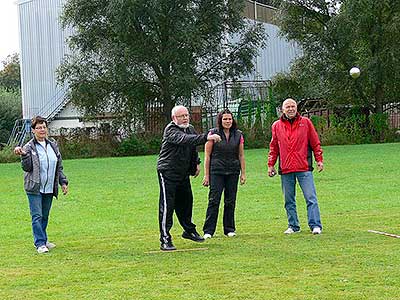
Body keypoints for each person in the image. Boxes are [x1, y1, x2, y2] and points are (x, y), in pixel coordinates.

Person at [157, 105, 221, 251]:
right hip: (167, 171)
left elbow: (192, 147)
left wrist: (196, 164)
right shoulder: (171, 130)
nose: (185, 118)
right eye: (182, 116)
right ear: (174, 118)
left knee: (186, 202)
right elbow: (184, 140)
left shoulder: (190, 128)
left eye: (186, 115)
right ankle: (165, 239)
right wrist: (206, 137)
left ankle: (189, 231)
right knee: (168, 205)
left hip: (183, 172)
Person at [267, 98, 323, 235]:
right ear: (282, 109)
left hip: (304, 167)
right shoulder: (276, 126)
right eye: (288, 107)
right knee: (289, 200)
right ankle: (293, 226)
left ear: (297, 108)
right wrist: (271, 164)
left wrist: (319, 159)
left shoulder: (306, 123)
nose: (291, 109)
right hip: (286, 169)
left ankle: (315, 225)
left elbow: (315, 142)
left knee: (311, 198)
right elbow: (274, 147)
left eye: (293, 106)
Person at [14, 116, 68, 253]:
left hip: (49, 187)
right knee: (37, 215)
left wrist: (63, 182)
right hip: (34, 187)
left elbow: (59, 167)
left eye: (43, 127)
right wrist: (24, 155)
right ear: (33, 130)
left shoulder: (53, 146)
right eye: (38, 127)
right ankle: (39, 243)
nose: (42, 130)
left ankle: (43, 239)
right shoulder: (28, 147)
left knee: (44, 215)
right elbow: (26, 168)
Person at [202, 109, 246, 239]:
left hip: (233, 171)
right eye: (225, 119)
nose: (228, 121)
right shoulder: (213, 134)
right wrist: (206, 175)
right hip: (217, 171)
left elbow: (241, 155)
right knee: (214, 200)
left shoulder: (238, 135)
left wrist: (243, 173)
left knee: (230, 201)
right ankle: (208, 231)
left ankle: (229, 229)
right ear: (220, 121)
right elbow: (207, 156)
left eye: (230, 119)